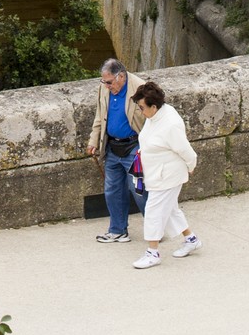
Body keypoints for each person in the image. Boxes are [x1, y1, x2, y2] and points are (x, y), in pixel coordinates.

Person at [130, 80, 201, 267]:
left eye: (142, 108)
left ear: (154, 106)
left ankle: (153, 252)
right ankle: (191, 239)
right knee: (170, 210)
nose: (141, 111)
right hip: (157, 173)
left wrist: (191, 165)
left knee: (153, 211)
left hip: (167, 176)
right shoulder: (156, 115)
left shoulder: (170, 124)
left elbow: (185, 150)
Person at [86, 59, 140, 245]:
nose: (107, 86)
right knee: (112, 190)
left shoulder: (140, 88)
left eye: (109, 82)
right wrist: (94, 140)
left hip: (134, 147)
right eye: (104, 82)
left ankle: (156, 228)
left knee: (139, 190)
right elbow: (99, 116)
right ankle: (118, 230)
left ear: (121, 76)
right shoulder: (104, 88)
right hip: (112, 147)